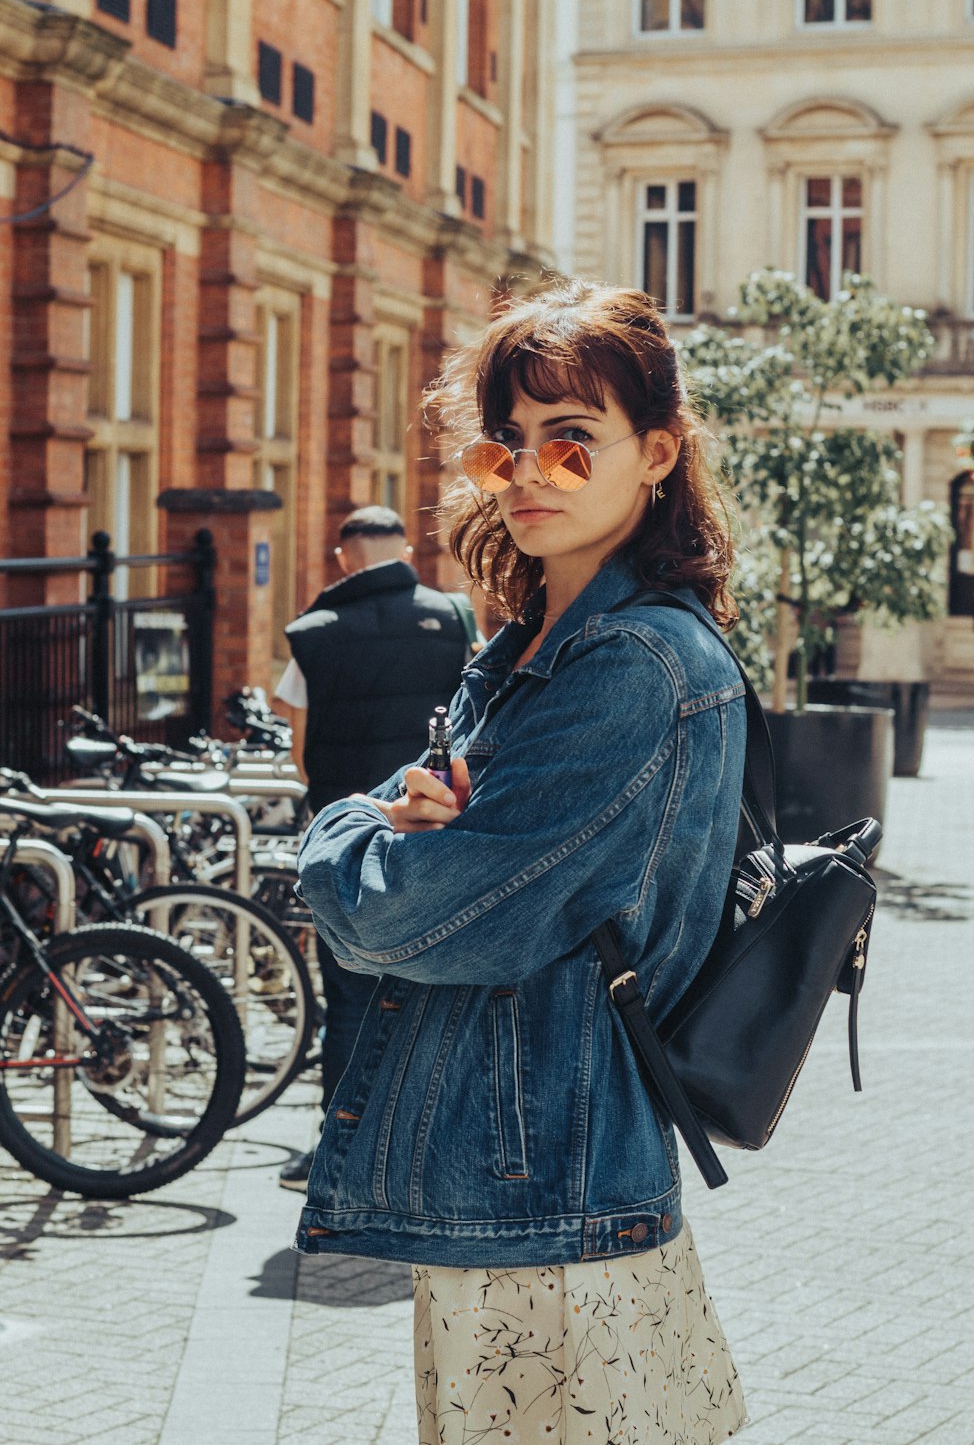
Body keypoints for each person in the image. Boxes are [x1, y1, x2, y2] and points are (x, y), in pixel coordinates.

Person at [293, 281, 749, 1442]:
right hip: (506, 1183)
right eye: (511, 447)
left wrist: (337, 835)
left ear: (655, 453)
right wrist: (409, 819)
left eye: (572, 440)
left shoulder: (633, 665)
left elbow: (414, 919)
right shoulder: (525, 645)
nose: (535, 472)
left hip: (554, 1193)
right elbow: (443, 861)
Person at [273, 506, 476, 1191]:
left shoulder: (313, 635)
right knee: (432, 991)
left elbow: (298, 751)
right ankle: (423, 1153)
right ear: (406, 550)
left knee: (351, 998)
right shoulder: (452, 619)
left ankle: (340, 1151)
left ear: (342, 559)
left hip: (351, 839)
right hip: (437, 835)